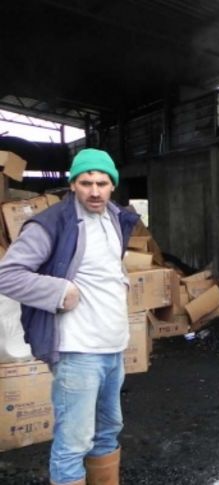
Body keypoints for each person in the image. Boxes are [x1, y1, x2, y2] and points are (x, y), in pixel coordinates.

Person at [0, 148, 138, 485]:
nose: (94, 191)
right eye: (86, 182)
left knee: (108, 430)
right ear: (73, 184)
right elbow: (7, 274)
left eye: (102, 183)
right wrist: (59, 292)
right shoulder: (52, 223)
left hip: (112, 347)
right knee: (74, 442)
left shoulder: (116, 219)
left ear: (112, 185)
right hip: (78, 351)